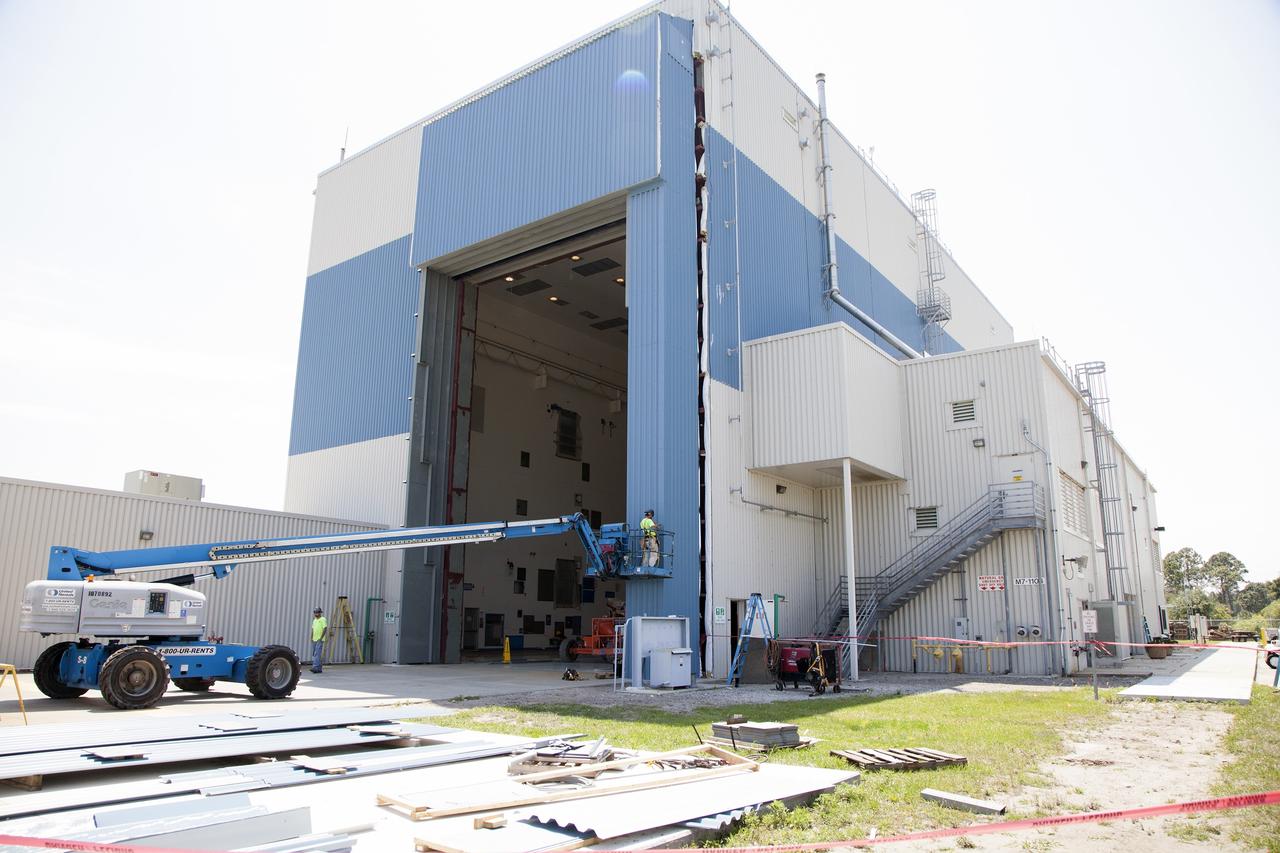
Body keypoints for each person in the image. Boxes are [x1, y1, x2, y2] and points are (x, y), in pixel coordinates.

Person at [310, 607, 328, 673]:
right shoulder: (314, 620)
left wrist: (321, 637)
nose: (316, 614)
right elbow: (313, 629)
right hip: (314, 639)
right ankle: (319, 669)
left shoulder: (323, 619)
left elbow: (325, 628)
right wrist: (311, 637)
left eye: (317, 612)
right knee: (316, 653)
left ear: (320, 613)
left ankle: (315, 667)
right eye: (315, 612)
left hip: (319, 639)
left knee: (316, 653)